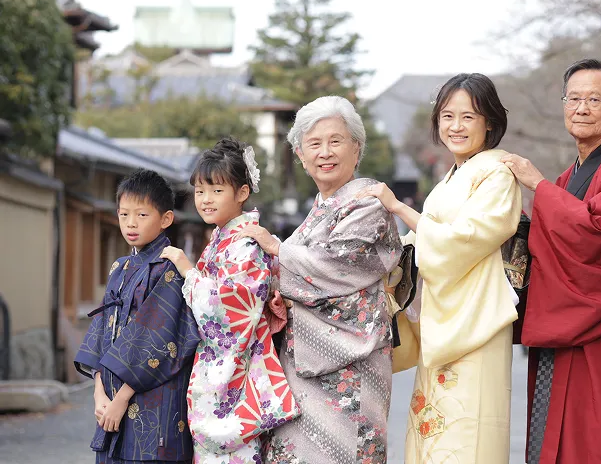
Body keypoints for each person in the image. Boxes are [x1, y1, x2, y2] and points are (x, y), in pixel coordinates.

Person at [502, 59, 601, 464]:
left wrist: (535, 185)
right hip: (567, 327)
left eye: (595, 99)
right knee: (554, 440)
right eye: (574, 98)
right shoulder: (566, 178)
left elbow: (594, 235)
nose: (582, 108)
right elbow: (548, 239)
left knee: (600, 445)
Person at [360, 73, 522, 464]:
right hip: (443, 322)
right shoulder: (452, 177)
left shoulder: (497, 174)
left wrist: (399, 208)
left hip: (474, 322)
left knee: (469, 434)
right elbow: (420, 250)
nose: (456, 126)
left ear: (490, 122)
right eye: (448, 116)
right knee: (435, 433)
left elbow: (462, 241)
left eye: (469, 116)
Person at [236, 95, 403, 464]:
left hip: (352, 365)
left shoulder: (368, 204)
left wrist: (279, 252)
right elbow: (297, 279)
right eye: (314, 143)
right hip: (304, 363)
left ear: (356, 148)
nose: (325, 152)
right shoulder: (321, 208)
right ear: (299, 154)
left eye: (335, 141)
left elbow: (337, 267)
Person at [160, 138, 299, 464]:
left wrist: (187, 270)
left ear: (242, 193)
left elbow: (231, 309)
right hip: (221, 367)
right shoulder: (223, 237)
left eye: (216, 191)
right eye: (199, 191)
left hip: (235, 372)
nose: (205, 200)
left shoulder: (246, 244)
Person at [75, 168, 201, 464]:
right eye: (124, 215)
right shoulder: (120, 267)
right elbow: (101, 332)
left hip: (151, 401)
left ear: (166, 219)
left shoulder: (169, 268)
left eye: (142, 215)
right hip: (110, 399)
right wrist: (99, 394)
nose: (131, 223)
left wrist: (120, 399)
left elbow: (160, 339)